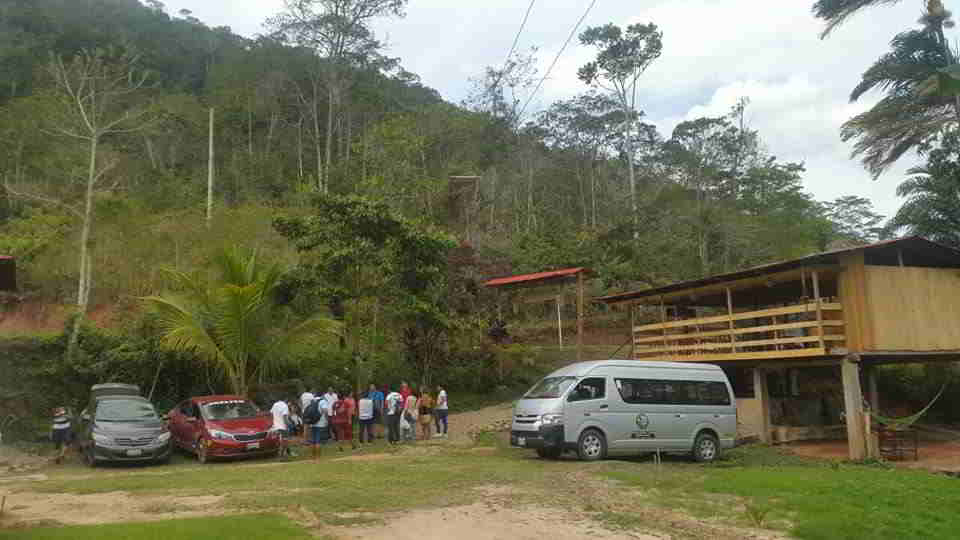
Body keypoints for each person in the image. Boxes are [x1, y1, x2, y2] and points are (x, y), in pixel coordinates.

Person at [307, 394, 330, 459]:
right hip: (320, 423)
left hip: (312, 423)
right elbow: (325, 410)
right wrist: (327, 420)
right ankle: (318, 456)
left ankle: (312, 455)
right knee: (318, 441)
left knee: (313, 441)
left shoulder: (312, 401)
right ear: (322, 396)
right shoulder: (323, 401)